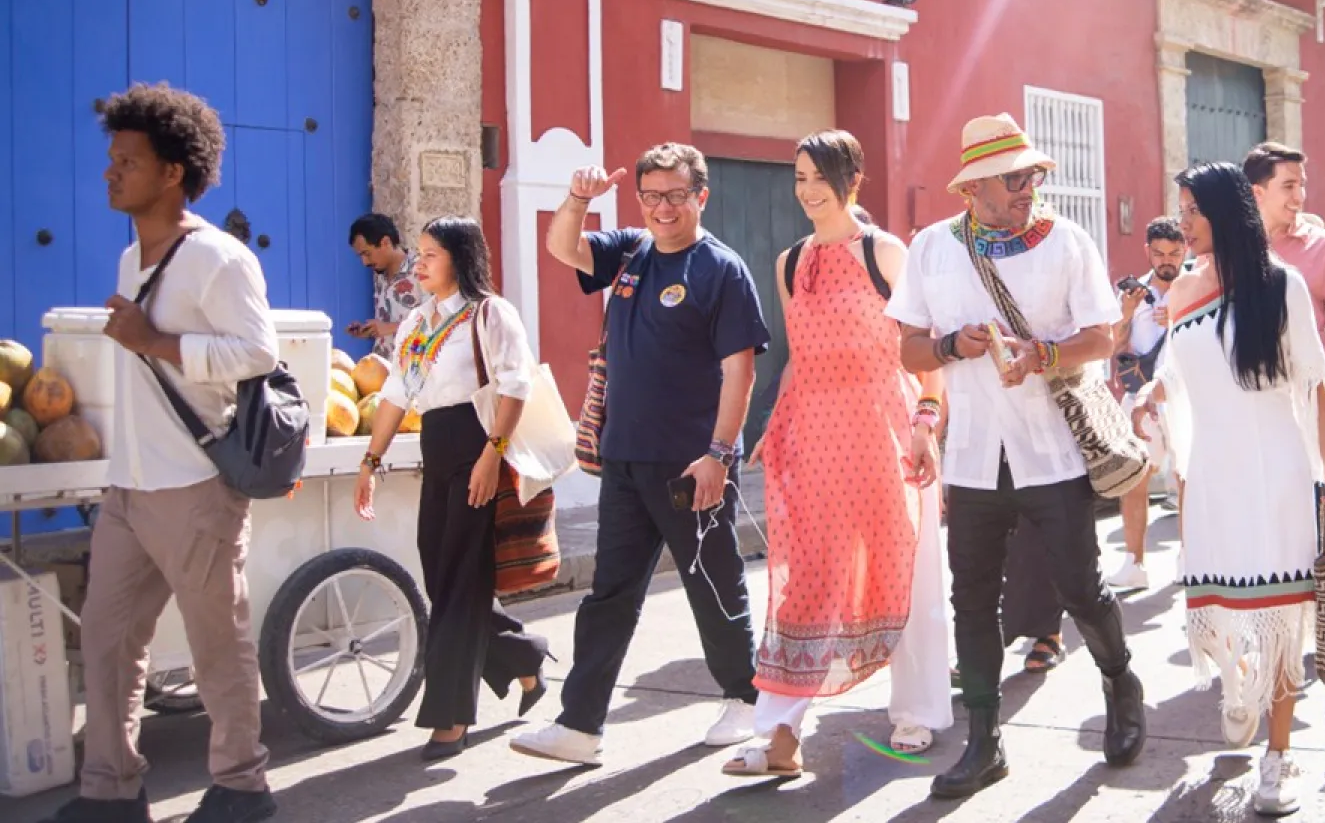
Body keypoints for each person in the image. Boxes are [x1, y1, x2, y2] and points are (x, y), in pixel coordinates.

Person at [888, 113, 1145, 799]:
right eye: (1015, 177)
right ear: (976, 187)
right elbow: (908, 348)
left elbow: (1102, 336)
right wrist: (951, 348)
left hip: (1052, 452)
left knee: (1080, 589)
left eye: (1033, 174)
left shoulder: (1066, 241)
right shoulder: (932, 248)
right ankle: (984, 740)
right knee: (971, 601)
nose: (1030, 185)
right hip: (972, 456)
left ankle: (1121, 684)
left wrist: (1044, 355)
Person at [43, 84, 279, 823]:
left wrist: (156, 342)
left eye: (127, 162)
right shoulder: (129, 259)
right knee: (110, 641)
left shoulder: (218, 258)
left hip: (196, 486)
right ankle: (110, 791)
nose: (110, 173)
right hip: (130, 486)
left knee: (217, 646)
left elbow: (257, 351)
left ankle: (243, 786)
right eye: (112, 159)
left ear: (173, 171)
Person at [513, 143, 770, 766]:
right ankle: (581, 726)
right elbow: (563, 248)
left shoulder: (721, 270)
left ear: (700, 197)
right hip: (625, 459)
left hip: (691, 464)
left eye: (675, 196)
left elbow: (741, 372)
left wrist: (717, 453)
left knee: (712, 584)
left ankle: (749, 701)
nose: (661, 208)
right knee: (610, 593)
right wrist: (577, 199)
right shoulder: (630, 251)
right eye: (650, 195)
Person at [723, 131, 952, 776]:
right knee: (807, 577)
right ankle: (778, 735)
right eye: (798, 177)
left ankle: (916, 713)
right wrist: (776, 424)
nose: (807, 189)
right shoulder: (790, 262)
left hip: (887, 426)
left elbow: (923, 347)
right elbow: (798, 355)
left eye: (819, 175)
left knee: (902, 570)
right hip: (815, 432)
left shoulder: (886, 252)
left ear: (852, 178)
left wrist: (927, 421)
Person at [1134, 162, 1325, 817]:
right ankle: (1239, 684)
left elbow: (1312, 383)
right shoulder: (1182, 293)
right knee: (1222, 605)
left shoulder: (1279, 286)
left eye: (1194, 210)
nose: (1185, 222)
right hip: (1215, 473)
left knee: (1279, 613)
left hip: (1277, 468)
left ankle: (1277, 758)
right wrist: (1152, 391)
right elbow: (1177, 362)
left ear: (1226, 214)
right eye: (1183, 209)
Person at [352, 217, 551, 760]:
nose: (419, 264)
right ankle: (522, 655)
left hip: (477, 444)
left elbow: (515, 386)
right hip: (436, 449)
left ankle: (450, 717)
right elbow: (396, 392)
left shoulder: (489, 314)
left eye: (431, 254)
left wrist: (493, 454)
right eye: (418, 253)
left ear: (460, 258)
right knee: (442, 579)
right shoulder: (418, 320)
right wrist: (371, 459)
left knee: (461, 579)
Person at [1242, 143, 1325, 402]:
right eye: (1289, 186)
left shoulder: (1324, 246)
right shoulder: (1230, 248)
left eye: (1302, 185)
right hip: (1248, 397)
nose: (1300, 197)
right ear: (1257, 193)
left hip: (1312, 393)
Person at [1104, 215, 1187, 593]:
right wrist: (1124, 314)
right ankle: (1134, 563)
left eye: (1173, 252)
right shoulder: (1133, 294)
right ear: (1147, 252)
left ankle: (1190, 559)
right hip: (1139, 396)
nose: (1166, 260)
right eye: (1159, 253)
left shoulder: (1197, 286)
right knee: (1133, 478)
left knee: (1186, 480)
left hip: (1185, 397)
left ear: (1185, 248)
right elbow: (1115, 348)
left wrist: (1178, 316)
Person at [345, 213, 424, 360]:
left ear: (386, 242)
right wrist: (371, 331)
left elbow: (437, 322)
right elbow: (387, 327)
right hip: (383, 372)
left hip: (414, 371)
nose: (364, 262)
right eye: (360, 256)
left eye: (367, 254)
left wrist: (388, 328)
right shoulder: (380, 276)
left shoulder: (422, 271)